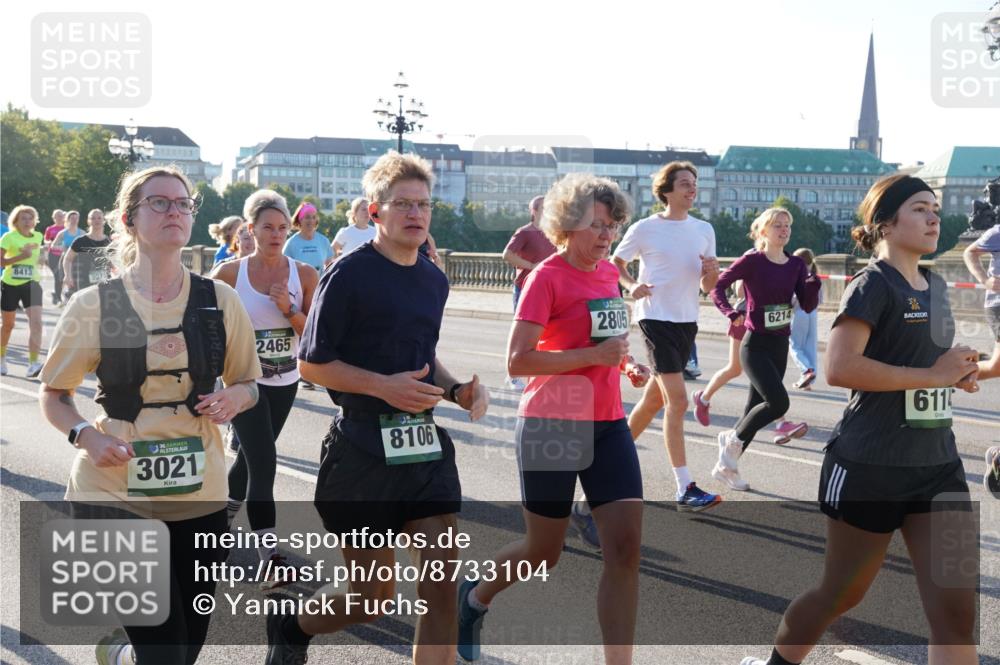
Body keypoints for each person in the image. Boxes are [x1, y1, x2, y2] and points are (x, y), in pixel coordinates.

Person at [741, 175, 981, 665]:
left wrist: (956, 373)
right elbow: (840, 367)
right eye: (919, 209)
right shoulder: (871, 283)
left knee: (956, 613)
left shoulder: (935, 286)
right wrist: (930, 374)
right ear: (886, 223)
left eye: (935, 208)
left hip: (937, 468)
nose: (934, 217)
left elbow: (925, 366)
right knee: (841, 594)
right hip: (871, 465)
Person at [264, 151, 488, 665]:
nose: (415, 213)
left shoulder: (434, 279)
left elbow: (422, 355)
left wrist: (456, 391)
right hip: (361, 448)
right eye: (402, 203)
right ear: (375, 211)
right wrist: (382, 388)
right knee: (373, 597)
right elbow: (314, 364)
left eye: (423, 204)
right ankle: (292, 624)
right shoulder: (348, 275)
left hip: (423, 448)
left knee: (439, 586)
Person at [38, 165, 262, 665]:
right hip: (114, 492)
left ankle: (121, 655)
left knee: (187, 645)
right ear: (129, 219)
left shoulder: (216, 300)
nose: (174, 212)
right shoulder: (99, 304)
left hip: (199, 492)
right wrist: (84, 436)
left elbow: (249, 383)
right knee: (165, 651)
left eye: (182, 203)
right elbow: (55, 395)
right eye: (159, 203)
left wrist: (235, 399)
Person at [457, 174, 645, 665]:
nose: (607, 236)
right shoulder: (547, 277)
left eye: (613, 225)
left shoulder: (607, 275)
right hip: (551, 422)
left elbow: (609, 344)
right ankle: (473, 598)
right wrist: (594, 354)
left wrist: (626, 363)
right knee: (544, 551)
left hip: (607, 423)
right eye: (597, 225)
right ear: (567, 224)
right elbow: (518, 362)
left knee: (625, 549)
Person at [209, 189, 318, 587]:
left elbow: (313, 338)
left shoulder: (304, 275)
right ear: (249, 230)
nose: (276, 234)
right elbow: (203, 326)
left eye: (282, 227)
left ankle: (217, 524)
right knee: (264, 460)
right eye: (267, 227)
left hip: (285, 381)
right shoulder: (228, 275)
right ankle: (268, 556)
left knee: (250, 461)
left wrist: (290, 310)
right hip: (242, 384)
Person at [612, 161, 722, 511]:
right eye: (686, 184)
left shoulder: (704, 229)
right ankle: (684, 486)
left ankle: (611, 458)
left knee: (654, 401)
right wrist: (632, 286)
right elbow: (617, 261)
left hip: (687, 321)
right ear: (667, 191)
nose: (693, 189)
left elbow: (707, 286)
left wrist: (713, 274)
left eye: (695, 184)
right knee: (678, 401)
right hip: (655, 318)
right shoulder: (645, 228)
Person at [710, 208, 821, 490]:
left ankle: (727, 468)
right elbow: (718, 287)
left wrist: (812, 282)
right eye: (777, 226)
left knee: (752, 408)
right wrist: (729, 312)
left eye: (787, 226)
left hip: (779, 344)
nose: (784, 230)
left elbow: (806, 305)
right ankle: (730, 444)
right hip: (755, 344)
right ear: (763, 232)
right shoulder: (753, 261)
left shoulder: (796, 264)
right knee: (778, 403)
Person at [501, 195, 556, 390]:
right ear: (533, 211)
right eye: (543, 207)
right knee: (521, 336)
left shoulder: (554, 233)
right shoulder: (524, 232)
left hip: (549, 291)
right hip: (524, 288)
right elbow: (507, 255)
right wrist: (532, 266)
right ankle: (513, 375)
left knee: (547, 335)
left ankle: (539, 376)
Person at [963, 221, 1000, 497]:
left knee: (997, 366)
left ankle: (952, 374)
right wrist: (986, 280)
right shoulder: (997, 232)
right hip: (999, 304)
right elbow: (969, 253)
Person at [691, 280, 747, 426]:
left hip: (766, 321)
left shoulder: (783, 258)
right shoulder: (751, 257)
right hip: (743, 318)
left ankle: (780, 421)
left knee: (763, 368)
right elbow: (739, 291)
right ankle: (704, 398)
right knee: (735, 368)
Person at [1, 205, 45, 377]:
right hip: (10, 284)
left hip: (32, 283)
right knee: (8, 325)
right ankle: (1, 358)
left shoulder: (38, 236)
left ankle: (33, 363)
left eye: (30, 218)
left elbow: (37, 258)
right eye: (23, 219)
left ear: (34, 221)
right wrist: (21, 256)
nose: (27, 222)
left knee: (37, 324)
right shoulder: (8, 237)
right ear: (16, 222)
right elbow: (1, 262)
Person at [789, 248, 821, 390]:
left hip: (799, 312)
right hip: (813, 313)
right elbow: (821, 299)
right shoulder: (815, 276)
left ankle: (806, 370)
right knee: (810, 347)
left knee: (795, 346)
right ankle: (808, 381)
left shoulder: (796, 275)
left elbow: (792, 299)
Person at [62, 209, 111, 296]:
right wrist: (67, 275)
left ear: (104, 221)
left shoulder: (108, 242)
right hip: (83, 282)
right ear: (89, 221)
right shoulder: (80, 241)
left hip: (104, 282)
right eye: (93, 218)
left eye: (99, 218)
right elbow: (68, 259)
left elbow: (113, 263)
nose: (96, 220)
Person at [283, 202, 333, 272]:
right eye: (307, 217)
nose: (311, 220)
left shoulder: (324, 241)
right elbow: (284, 268)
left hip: (320, 282)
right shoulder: (291, 243)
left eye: (314, 217)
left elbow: (330, 268)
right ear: (300, 220)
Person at [53, 210, 85, 301]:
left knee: (76, 280)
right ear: (68, 219)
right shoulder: (63, 233)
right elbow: (54, 245)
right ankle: (61, 298)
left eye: (76, 218)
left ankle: (73, 298)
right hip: (65, 259)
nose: (74, 220)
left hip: (78, 260)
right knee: (63, 278)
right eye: (72, 218)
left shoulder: (82, 233)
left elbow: (87, 246)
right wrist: (62, 247)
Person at [43, 209, 66, 305]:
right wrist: (50, 243)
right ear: (54, 218)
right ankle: (57, 296)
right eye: (57, 216)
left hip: (64, 255)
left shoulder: (66, 229)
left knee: (62, 276)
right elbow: (45, 241)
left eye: (61, 216)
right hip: (53, 255)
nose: (60, 218)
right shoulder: (50, 229)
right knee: (58, 276)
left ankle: (56, 294)